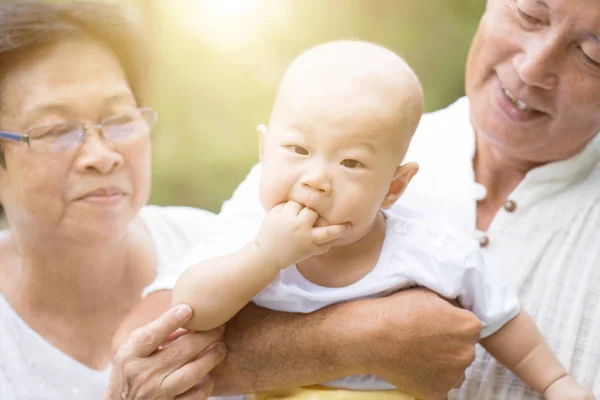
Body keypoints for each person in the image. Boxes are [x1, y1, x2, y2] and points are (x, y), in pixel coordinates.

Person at [0, 2, 482, 399]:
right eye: (56, 130)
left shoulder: (216, 238)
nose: (102, 156)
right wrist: (360, 338)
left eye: (119, 118)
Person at [131, 0, 600, 399]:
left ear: (395, 187)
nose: (316, 178)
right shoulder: (257, 225)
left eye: (591, 53)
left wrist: (557, 382)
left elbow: (505, 321)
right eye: (530, 13)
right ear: (265, 148)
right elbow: (179, 318)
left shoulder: (426, 247)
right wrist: (266, 258)